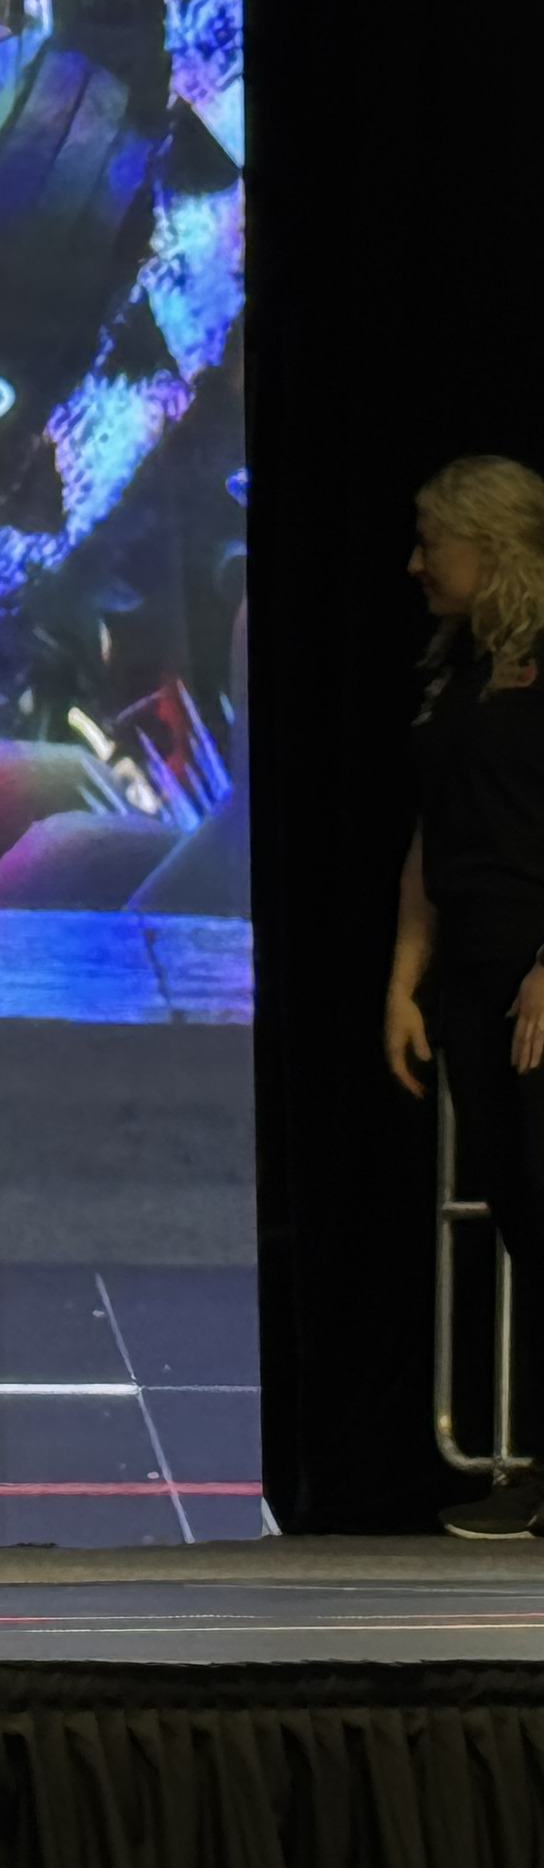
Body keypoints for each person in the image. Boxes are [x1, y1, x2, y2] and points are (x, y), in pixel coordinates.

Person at [381, 456, 544, 1538]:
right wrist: (403, 980)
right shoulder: (458, 668)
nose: (414, 563)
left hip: (537, 974)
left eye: (430, 541)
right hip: (472, 971)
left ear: (488, 544)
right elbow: (429, 832)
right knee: (520, 1209)